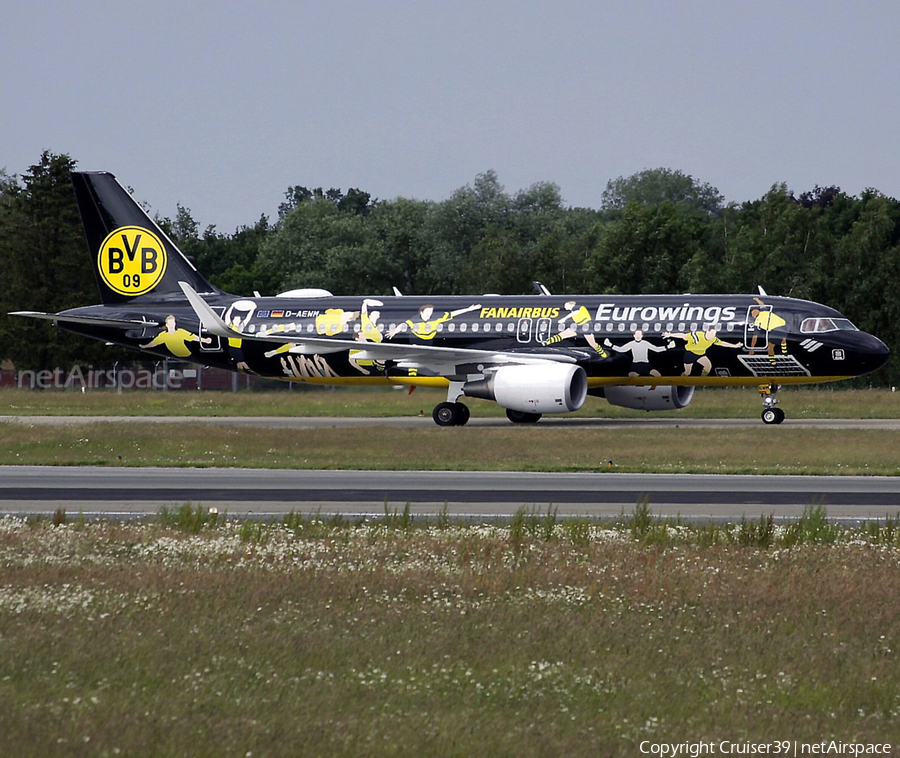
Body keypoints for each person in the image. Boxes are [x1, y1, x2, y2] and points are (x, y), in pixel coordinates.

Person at [663, 325, 741, 377]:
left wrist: (735, 346)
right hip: (690, 354)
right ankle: (680, 381)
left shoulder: (713, 339)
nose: (713, 336)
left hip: (700, 354)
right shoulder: (697, 335)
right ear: (707, 332)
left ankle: (701, 380)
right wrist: (670, 335)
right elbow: (684, 335)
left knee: (708, 366)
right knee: (687, 372)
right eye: (712, 333)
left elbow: (722, 343)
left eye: (714, 334)